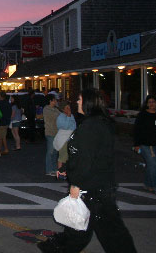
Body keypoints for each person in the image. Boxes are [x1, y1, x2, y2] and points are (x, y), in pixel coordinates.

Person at [37, 89, 137, 253]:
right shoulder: (97, 124)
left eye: (80, 99)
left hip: (94, 190)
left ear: (89, 103)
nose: (77, 102)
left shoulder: (92, 127)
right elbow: (88, 156)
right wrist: (67, 170)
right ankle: (55, 247)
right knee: (78, 228)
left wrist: (76, 183)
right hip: (98, 186)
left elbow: (86, 160)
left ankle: (56, 248)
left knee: (111, 234)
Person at [133, 95, 156, 194]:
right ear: (146, 104)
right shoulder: (142, 115)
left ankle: (147, 183)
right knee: (153, 164)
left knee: (151, 165)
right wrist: (136, 144)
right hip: (145, 144)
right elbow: (136, 130)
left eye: (153, 102)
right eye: (149, 102)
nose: (151, 104)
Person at [54, 101, 76, 175]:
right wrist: (68, 117)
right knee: (62, 156)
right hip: (63, 139)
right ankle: (60, 172)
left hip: (70, 138)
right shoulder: (61, 117)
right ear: (63, 109)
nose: (69, 109)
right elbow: (65, 126)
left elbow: (74, 126)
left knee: (69, 156)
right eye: (67, 108)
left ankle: (67, 172)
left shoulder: (71, 116)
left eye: (69, 107)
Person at [43, 94, 61, 176]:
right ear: (50, 101)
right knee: (50, 151)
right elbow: (57, 116)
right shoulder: (47, 109)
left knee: (55, 152)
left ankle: (54, 169)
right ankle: (49, 170)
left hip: (57, 132)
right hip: (50, 132)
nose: (56, 101)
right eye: (54, 100)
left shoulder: (55, 109)